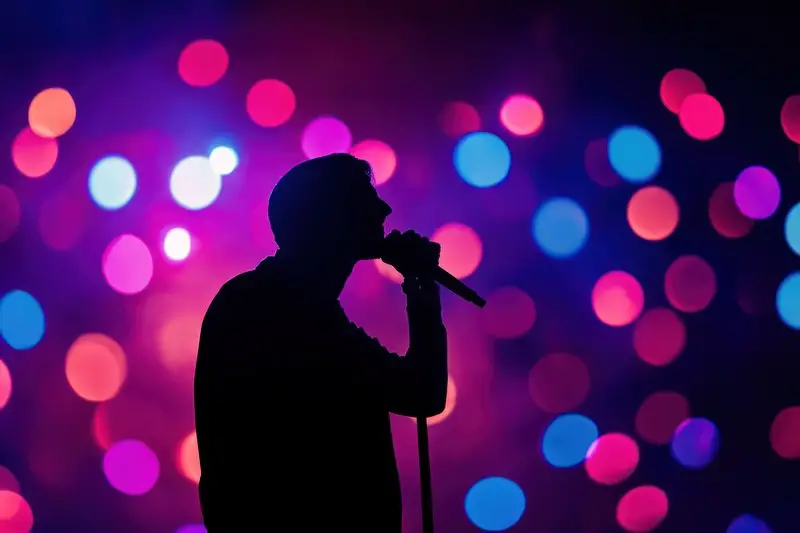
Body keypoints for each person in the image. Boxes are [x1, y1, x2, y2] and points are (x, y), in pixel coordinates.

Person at [194, 153, 448, 531]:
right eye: (364, 198)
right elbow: (421, 393)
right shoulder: (278, 307)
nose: (384, 207)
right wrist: (422, 289)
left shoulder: (272, 299)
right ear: (328, 216)